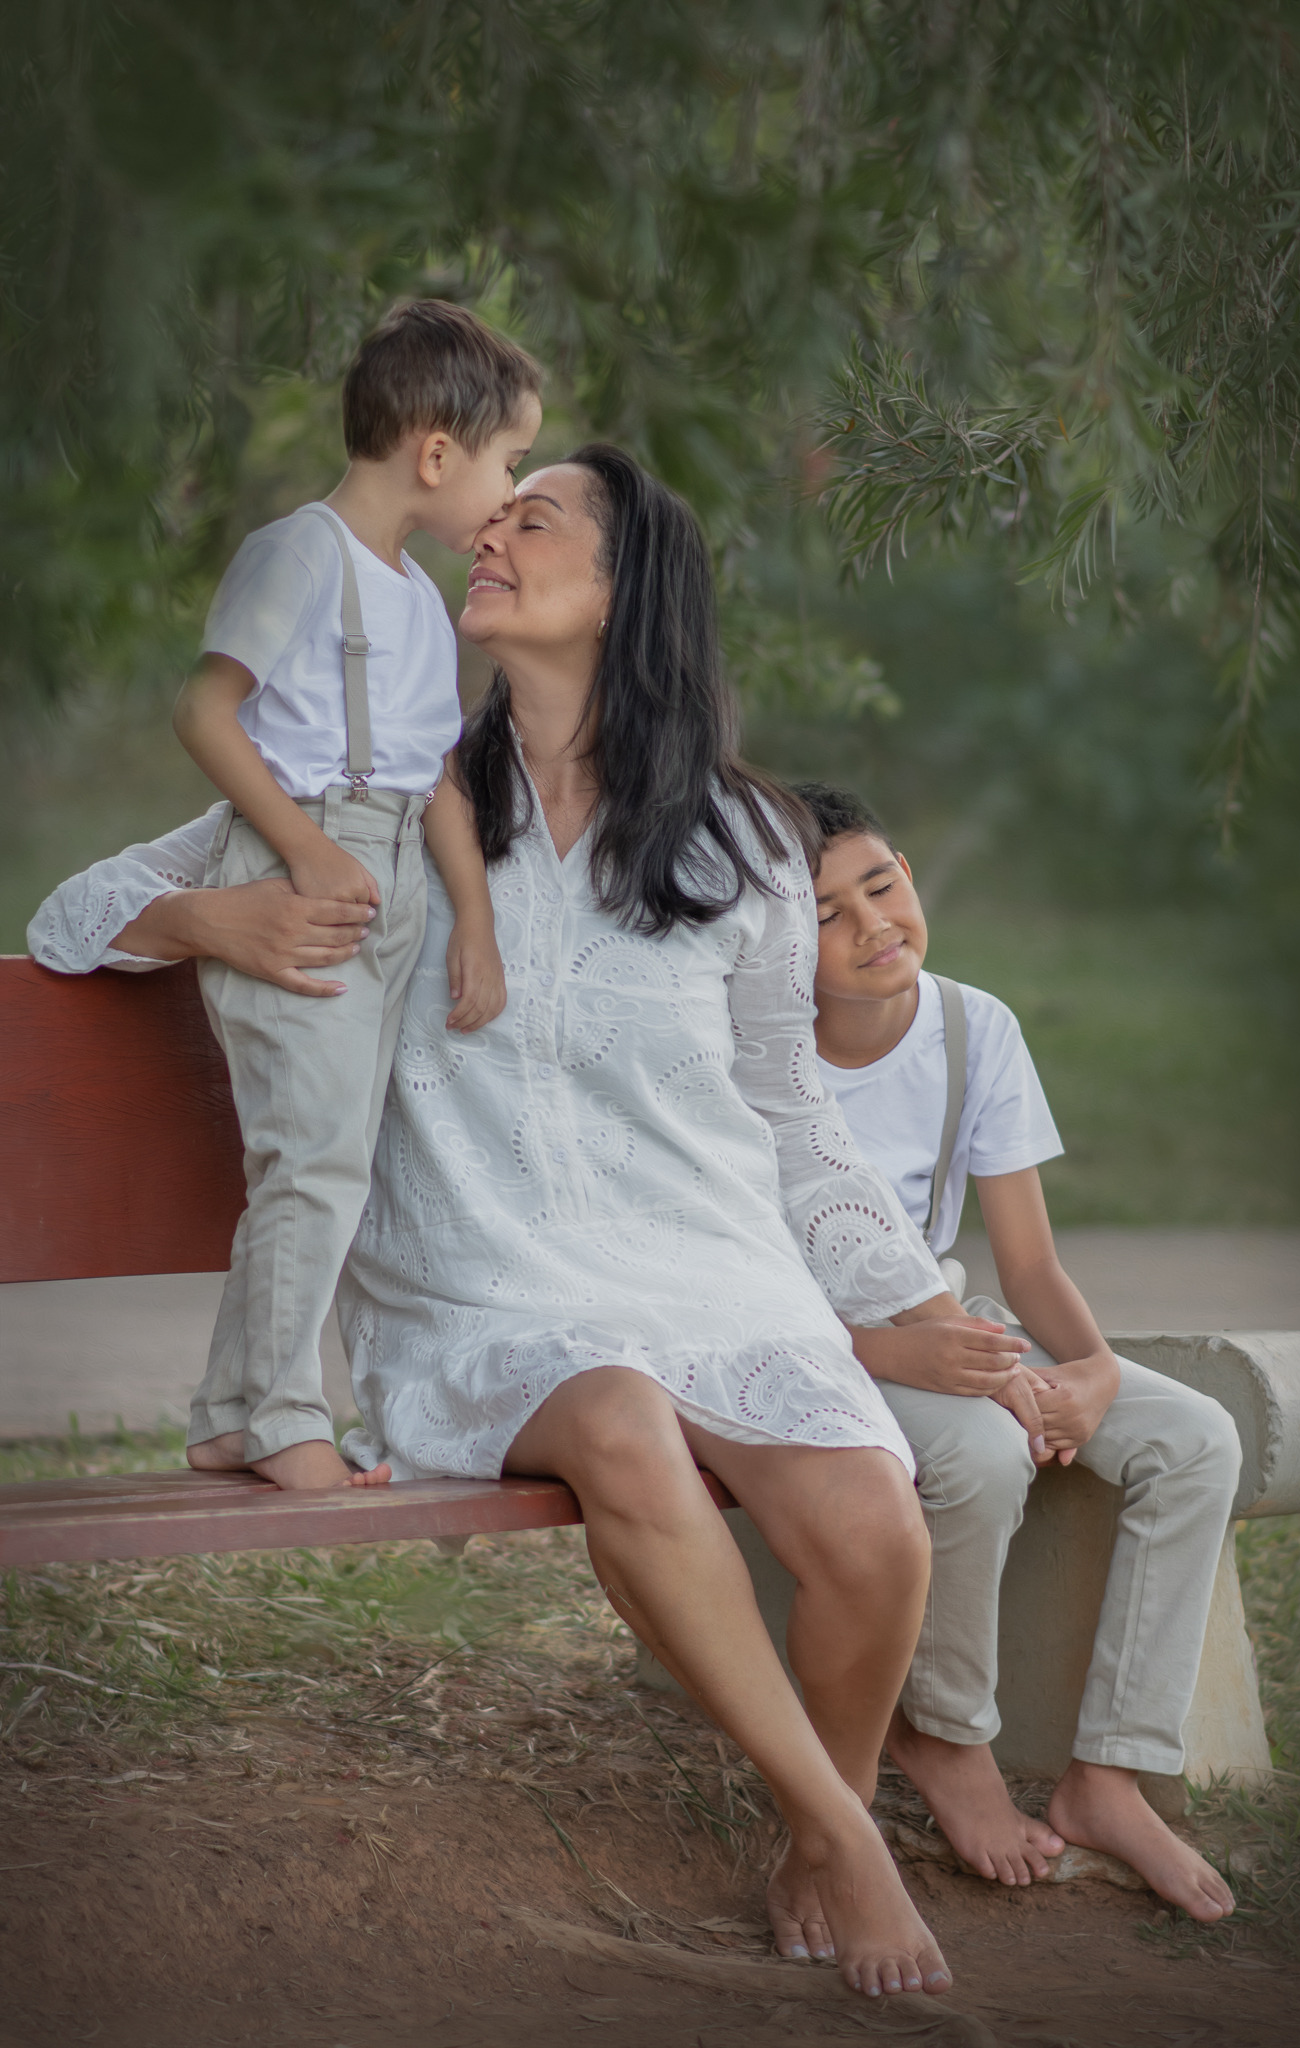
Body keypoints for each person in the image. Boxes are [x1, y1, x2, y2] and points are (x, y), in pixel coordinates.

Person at [28, 447, 994, 1999]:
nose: (487, 535)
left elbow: (790, 1109)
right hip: (483, 1292)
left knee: (873, 1527)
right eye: (490, 516)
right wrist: (217, 915)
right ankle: (846, 1838)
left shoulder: (746, 840)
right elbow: (71, 917)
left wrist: (910, 1298)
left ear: (622, 594)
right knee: (619, 1421)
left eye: (532, 521)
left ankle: (817, 1831)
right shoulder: (373, 790)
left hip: (711, 1274)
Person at [795, 779, 1241, 1924]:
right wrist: (900, 1355)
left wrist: (1089, 1371)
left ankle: (1110, 1774)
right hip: (818, 1350)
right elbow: (743, 1287)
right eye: (828, 915)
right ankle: (947, 1738)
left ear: (908, 874)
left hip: (953, 1327)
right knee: (983, 1453)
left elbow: (1029, 1265)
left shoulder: (971, 1027)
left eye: (881, 886)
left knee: (1195, 1438)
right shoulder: (764, 1063)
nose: (873, 925)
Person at [170, 299, 542, 1490]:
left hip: (393, 884)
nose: (509, 492)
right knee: (314, 1159)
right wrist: (305, 848)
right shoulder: (300, 553)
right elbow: (206, 712)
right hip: (305, 869)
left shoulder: (420, 601)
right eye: (510, 462)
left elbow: (435, 780)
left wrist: (472, 919)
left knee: (330, 1157)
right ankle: (284, 1417)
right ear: (436, 452)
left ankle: (230, 1410)